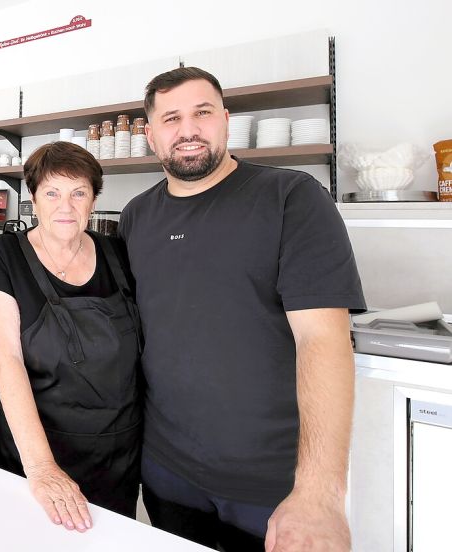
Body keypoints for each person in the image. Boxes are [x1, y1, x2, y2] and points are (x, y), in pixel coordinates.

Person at [119, 67, 365, 551]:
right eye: (170, 118)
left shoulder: (291, 197)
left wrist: (318, 493)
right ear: (150, 135)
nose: (187, 130)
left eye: (202, 112)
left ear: (226, 119)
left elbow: (325, 340)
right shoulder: (136, 216)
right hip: (168, 474)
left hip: (273, 487)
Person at [0, 141, 142, 532]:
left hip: (115, 453)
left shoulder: (118, 253)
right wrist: (41, 467)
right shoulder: (5, 255)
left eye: (78, 193)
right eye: (52, 192)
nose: (65, 206)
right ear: (33, 198)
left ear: (93, 199)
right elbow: (8, 360)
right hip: (33, 452)